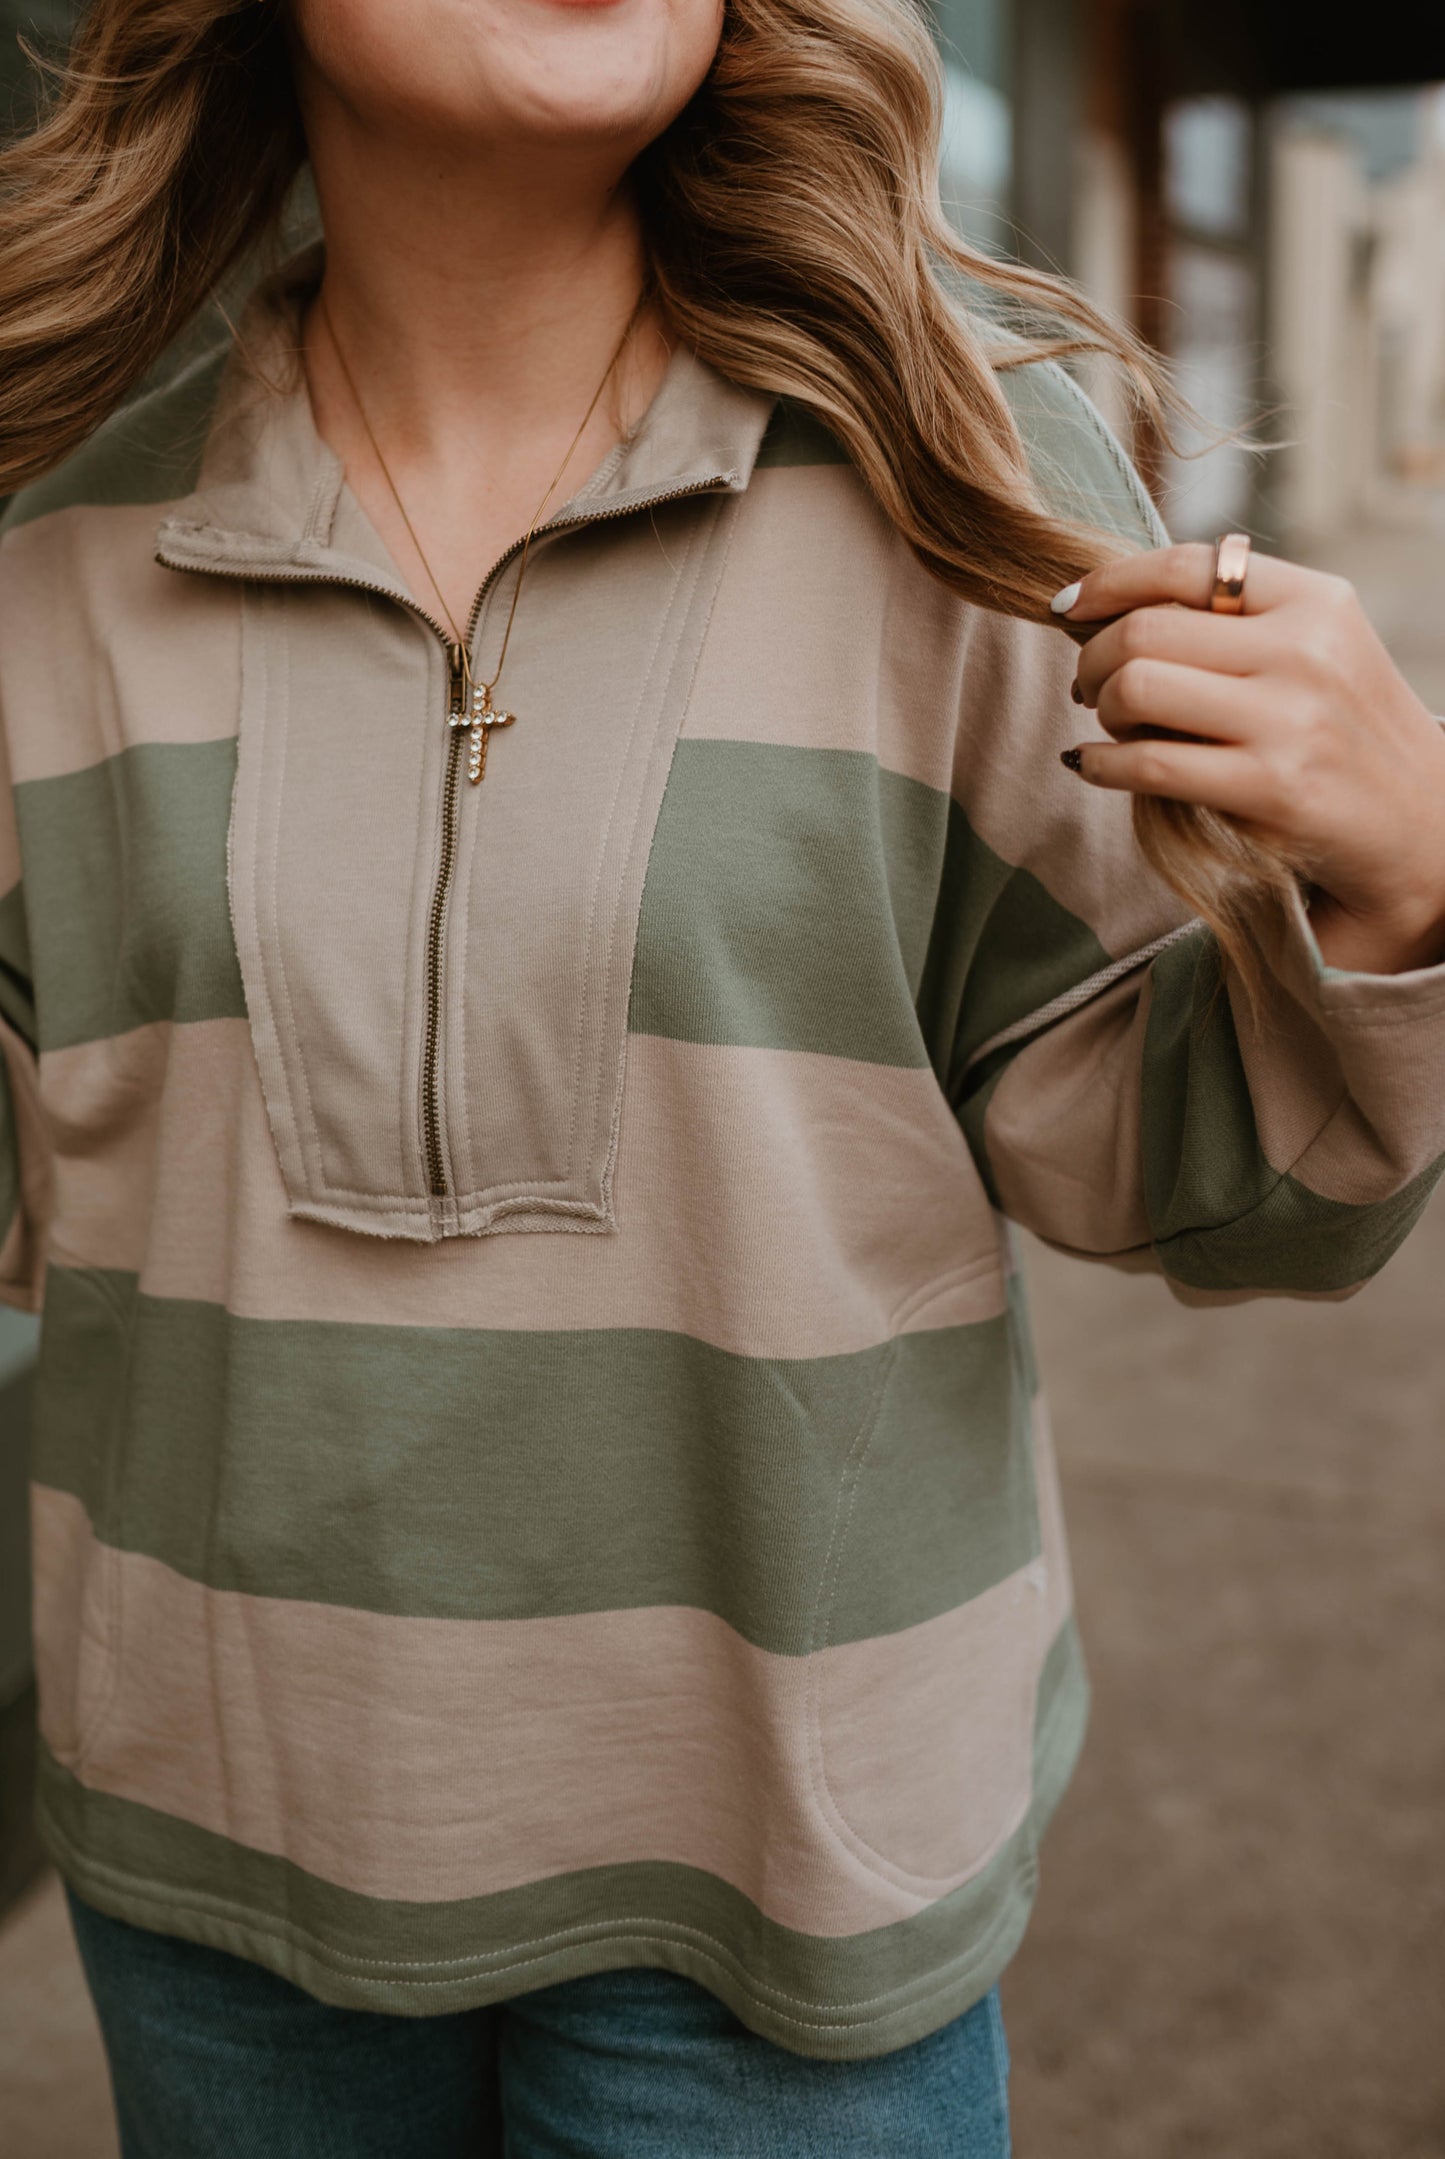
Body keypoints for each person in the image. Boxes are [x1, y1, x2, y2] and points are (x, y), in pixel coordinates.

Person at [2, 1, 1443, 2153]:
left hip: (788, 1893)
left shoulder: (960, 469)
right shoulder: (53, 512)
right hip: (224, 1843)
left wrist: (1402, 889)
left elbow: (1234, 1188)